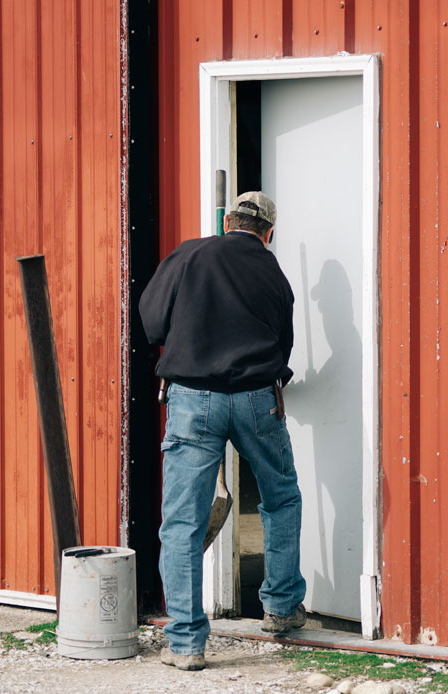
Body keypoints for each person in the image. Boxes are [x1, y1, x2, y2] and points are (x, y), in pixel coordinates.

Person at [139, 191, 307, 671]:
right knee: (279, 498)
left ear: (227, 221)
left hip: (193, 400)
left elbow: (151, 322)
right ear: (268, 233)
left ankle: (187, 644)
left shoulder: (189, 254)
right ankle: (278, 608)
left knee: (182, 520)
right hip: (257, 398)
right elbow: (283, 341)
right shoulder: (273, 272)